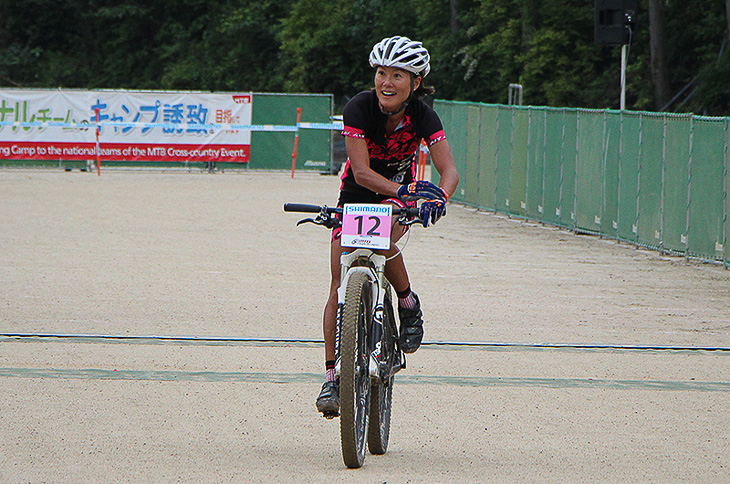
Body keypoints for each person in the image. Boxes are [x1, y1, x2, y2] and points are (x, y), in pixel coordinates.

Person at [316, 36, 459, 416]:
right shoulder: (359, 107)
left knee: (384, 239)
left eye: (398, 75)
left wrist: (439, 198)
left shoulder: (424, 116)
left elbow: (449, 171)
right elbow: (361, 172)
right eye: (381, 73)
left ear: (415, 83)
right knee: (337, 281)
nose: (387, 82)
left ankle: (407, 302)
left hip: (397, 196)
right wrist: (408, 189)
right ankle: (332, 377)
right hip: (360, 192)